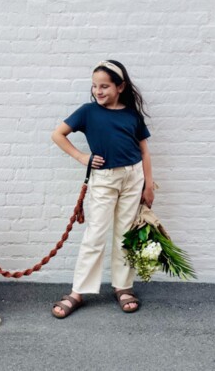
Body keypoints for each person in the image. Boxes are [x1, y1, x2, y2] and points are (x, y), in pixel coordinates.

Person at [51, 59, 154, 317]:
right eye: (95, 86)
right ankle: (78, 291)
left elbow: (144, 150)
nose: (98, 91)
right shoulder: (88, 112)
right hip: (104, 180)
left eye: (105, 86)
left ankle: (123, 286)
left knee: (125, 234)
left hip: (133, 177)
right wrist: (82, 157)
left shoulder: (132, 115)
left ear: (120, 87)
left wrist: (148, 184)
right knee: (96, 234)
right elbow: (58, 135)